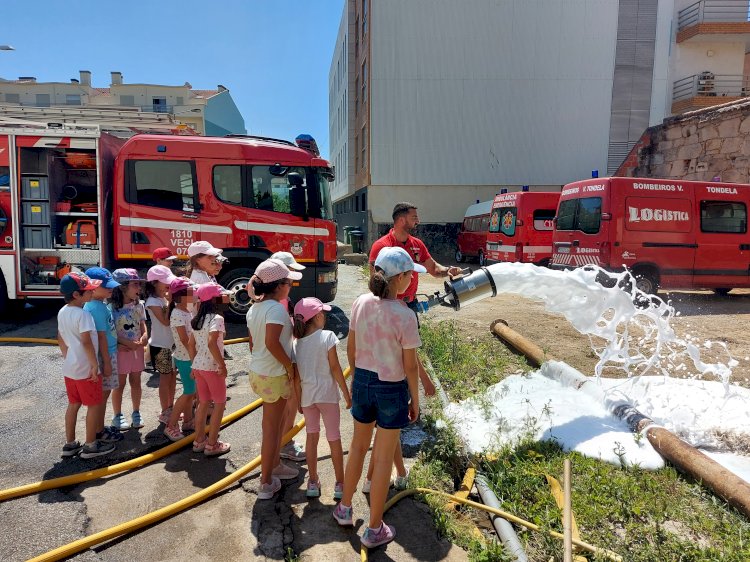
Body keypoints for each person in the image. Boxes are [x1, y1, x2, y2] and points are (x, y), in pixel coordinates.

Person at [333, 247, 424, 549]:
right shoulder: (405, 316)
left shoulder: (360, 303)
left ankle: (344, 508)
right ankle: (374, 528)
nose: (413, 279)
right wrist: (416, 400)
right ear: (400, 279)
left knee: (357, 447)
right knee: (383, 458)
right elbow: (410, 366)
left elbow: (351, 348)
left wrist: (357, 376)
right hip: (391, 388)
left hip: (362, 380)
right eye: (410, 274)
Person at [365, 202, 455, 489]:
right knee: (400, 357)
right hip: (394, 310)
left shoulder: (416, 245)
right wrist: (420, 391)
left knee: (400, 355)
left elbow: (433, 268)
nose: (418, 220)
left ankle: (390, 471)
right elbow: (374, 281)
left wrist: (448, 271)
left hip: (406, 308)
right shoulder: (382, 245)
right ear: (401, 219)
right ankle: (383, 478)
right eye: (414, 216)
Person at [246, 259, 303, 500]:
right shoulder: (277, 309)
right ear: (279, 286)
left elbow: (253, 343)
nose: (291, 285)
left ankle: (276, 464)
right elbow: (271, 343)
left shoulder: (254, 308)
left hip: (258, 372)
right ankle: (266, 482)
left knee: (273, 425)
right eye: (289, 282)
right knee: (271, 430)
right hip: (274, 375)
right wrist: (289, 366)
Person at [292, 297, 351, 498]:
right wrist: (346, 392)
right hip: (327, 395)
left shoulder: (296, 344)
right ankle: (340, 484)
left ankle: (313, 481)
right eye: (323, 313)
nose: (325, 316)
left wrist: (299, 400)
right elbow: (335, 368)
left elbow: (296, 378)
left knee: (311, 437)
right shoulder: (328, 336)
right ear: (317, 316)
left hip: (308, 397)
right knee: (334, 437)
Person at [57, 272, 116, 459]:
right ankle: (91, 445)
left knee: (73, 404)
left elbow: (60, 338)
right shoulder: (83, 315)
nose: (91, 293)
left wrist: (68, 356)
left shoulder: (62, 312)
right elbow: (87, 342)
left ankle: (70, 444)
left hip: (71, 368)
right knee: (93, 405)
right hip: (85, 369)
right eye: (87, 291)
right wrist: (94, 365)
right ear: (76, 295)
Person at [270, 251, 308, 463]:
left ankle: (284, 439)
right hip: (283, 361)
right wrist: (289, 365)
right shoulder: (278, 304)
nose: (293, 276)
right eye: (290, 271)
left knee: (285, 402)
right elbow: (273, 339)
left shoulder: (269, 300)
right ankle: (285, 442)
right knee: (291, 400)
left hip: (278, 361)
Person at [83, 267, 125, 445]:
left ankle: (100, 427)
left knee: (103, 395)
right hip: (105, 355)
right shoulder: (97, 308)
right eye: (106, 286)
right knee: (102, 396)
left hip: (107, 354)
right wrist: (107, 363)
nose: (111, 289)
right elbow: (101, 337)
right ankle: (98, 431)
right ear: (92, 287)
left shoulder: (98, 305)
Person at [190, 282, 231, 456]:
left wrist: (194, 364)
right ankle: (212, 443)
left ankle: (199, 440)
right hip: (212, 368)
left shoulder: (197, 319)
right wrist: (221, 364)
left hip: (199, 366)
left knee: (203, 403)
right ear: (215, 299)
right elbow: (212, 343)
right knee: (220, 403)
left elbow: (192, 345)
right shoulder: (217, 319)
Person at [110, 268, 148, 430]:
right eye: (135, 285)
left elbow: (142, 325)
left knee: (136, 382)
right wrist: (126, 343)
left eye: (139, 285)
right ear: (122, 286)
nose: (139, 288)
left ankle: (136, 412)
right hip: (121, 351)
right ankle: (117, 415)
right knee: (119, 384)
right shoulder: (111, 308)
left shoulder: (139, 306)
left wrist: (145, 336)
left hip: (136, 350)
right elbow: (110, 331)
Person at [187, 240, 233, 361]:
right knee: (210, 359)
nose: (214, 259)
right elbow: (204, 305)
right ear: (197, 259)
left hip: (206, 323)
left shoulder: (206, 274)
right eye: (210, 256)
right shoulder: (200, 279)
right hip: (206, 325)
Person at [164, 277, 197, 441]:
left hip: (190, 357)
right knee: (188, 392)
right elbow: (184, 340)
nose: (195, 295)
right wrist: (195, 358)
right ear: (181, 296)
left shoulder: (187, 311)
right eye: (192, 293)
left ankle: (188, 421)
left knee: (191, 393)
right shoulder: (177, 314)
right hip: (186, 359)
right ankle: (171, 425)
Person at [145, 265, 178, 424]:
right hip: (160, 345)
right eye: (165, 282)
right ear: (154, 283)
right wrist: (171, 302)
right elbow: (165, 322)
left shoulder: (164, 298)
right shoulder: (152, 301)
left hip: (172, 344)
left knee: (172, 377)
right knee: (165, 378)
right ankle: (165, 410)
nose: (168, 285)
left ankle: (171, 407)